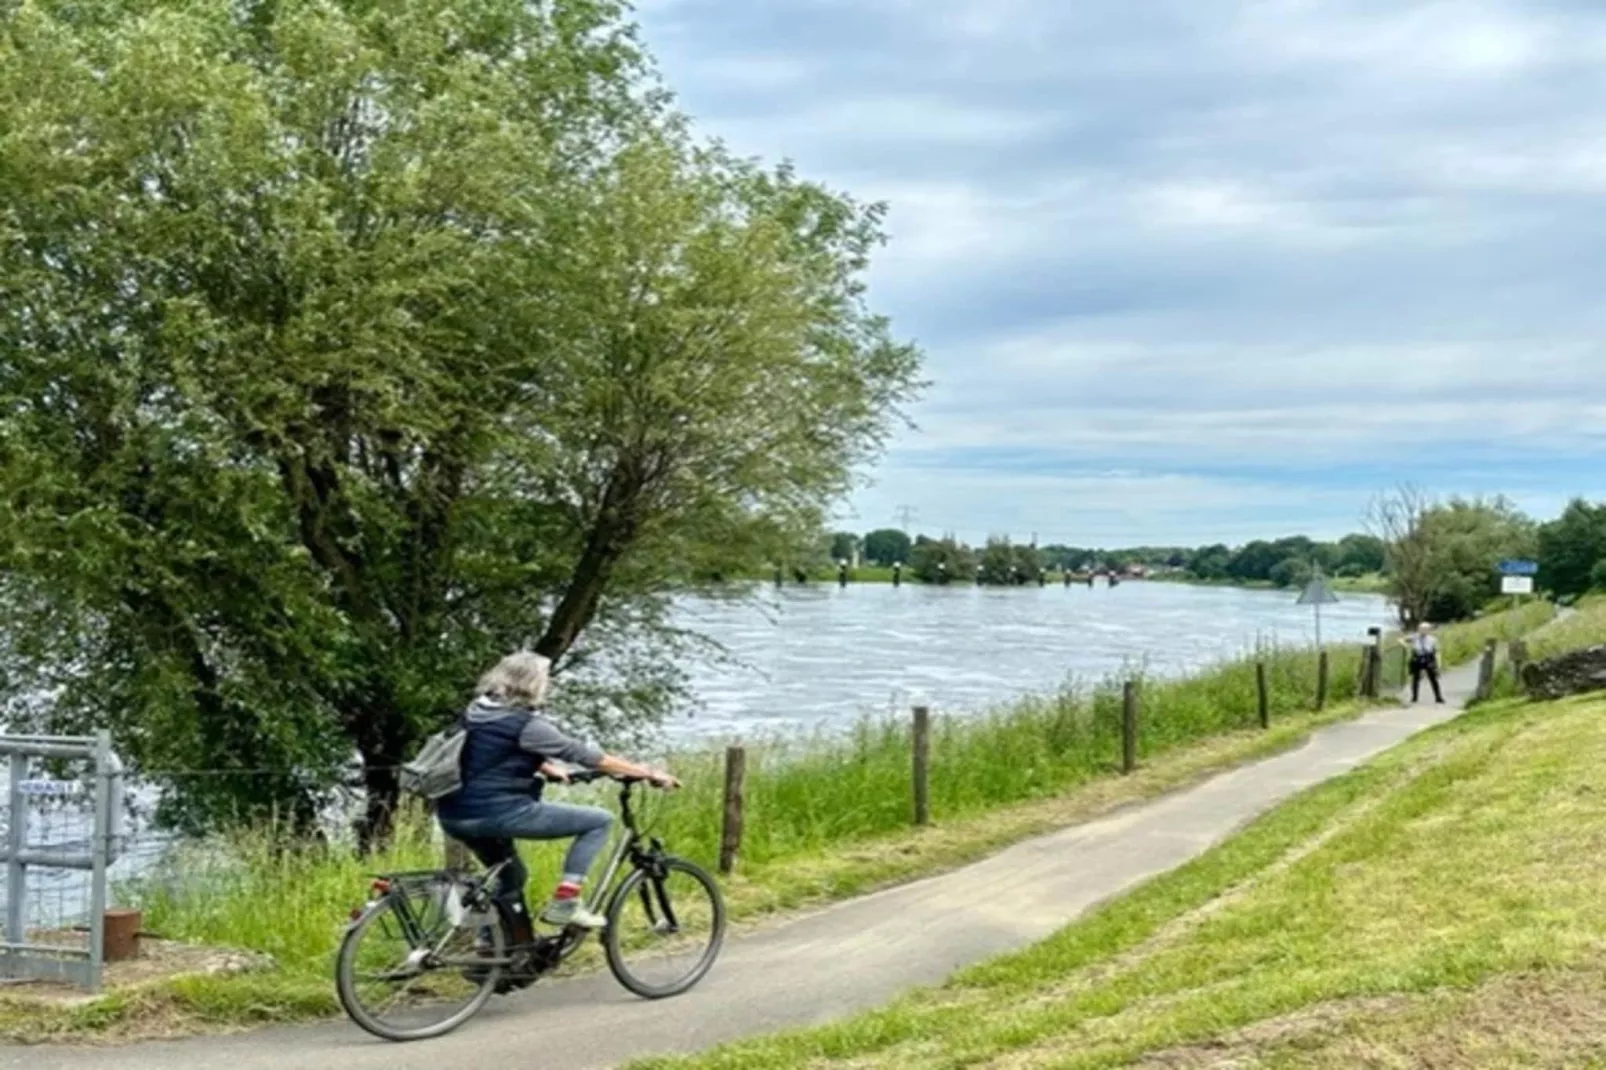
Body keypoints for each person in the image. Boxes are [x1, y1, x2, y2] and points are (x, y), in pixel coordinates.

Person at [436, 651, 679, 945]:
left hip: (454, 815)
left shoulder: (478, 711)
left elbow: (486, 753)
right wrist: (648, 772)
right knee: (599, 821)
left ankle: (493, 946)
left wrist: (544, 765)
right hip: (498, 813)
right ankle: (567, 901)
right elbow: (588, 757)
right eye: (546, 679)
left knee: (510, 877)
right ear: (533, 684)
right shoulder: (527, 725)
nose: (548, 684)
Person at [1402, 622, 1445, 704]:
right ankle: (1414, 697)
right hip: (1417, 659)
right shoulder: (1414, 637)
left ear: (1429, 630)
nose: (1423, 631)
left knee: (1433, 679)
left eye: (1425, 629)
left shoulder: (1433, 639)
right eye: (1421, 629)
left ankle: (1438, 697)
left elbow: (1437, 652)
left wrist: (1438, 664)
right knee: (1415, 679)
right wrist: (1406, 646)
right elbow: (1401, 639)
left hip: (1429, 660)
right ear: (1419, 629)